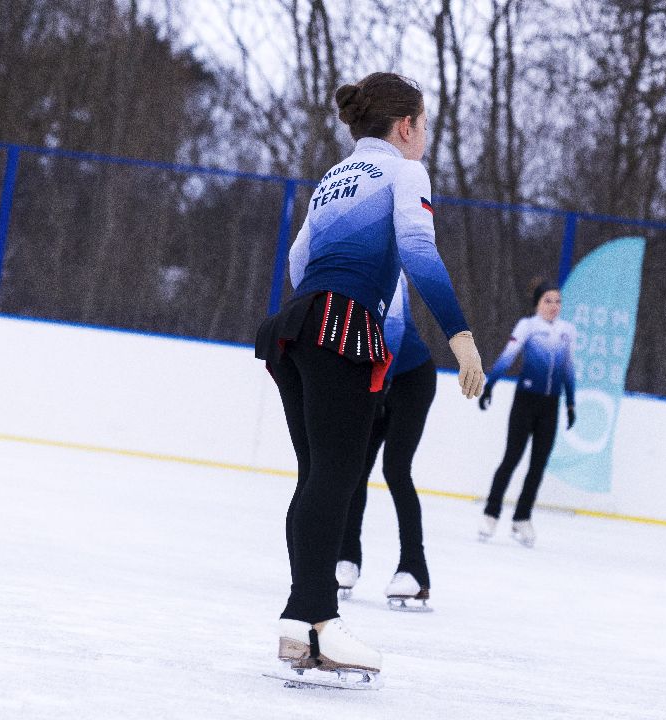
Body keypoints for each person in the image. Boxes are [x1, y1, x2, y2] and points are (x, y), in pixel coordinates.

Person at [254, 72, 484, 688]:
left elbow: (300, 260)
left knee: (317, 477)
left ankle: (302, 623)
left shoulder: (332, 178)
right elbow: (419, 251)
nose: (426, 137)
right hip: (341, 328)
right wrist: (460, 338)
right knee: (336, 474)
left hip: (295, 326)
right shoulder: (405, 173)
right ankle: (314, 618)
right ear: (404, 126)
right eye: (425, 124)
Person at [336, 273, 437, 611]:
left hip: (410, 379)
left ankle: (414, 569)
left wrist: (380, 385)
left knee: (395, 469)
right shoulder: (343, 266)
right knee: (355, 467)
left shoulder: (390, 271)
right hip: (375, 378)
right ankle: (347, 557)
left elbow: (392, 333)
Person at [477, 279, 577, 548]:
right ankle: (491, 513)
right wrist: (490, 387)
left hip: (550, 406)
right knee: (511, 458)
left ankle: (522, 517)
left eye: (558, 301)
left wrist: (570, 403)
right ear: (537, 304)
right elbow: (507, 357)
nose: (554, 306)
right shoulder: (528, 327)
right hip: (525, 402)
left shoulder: (568, 331)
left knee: (538, 465)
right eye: (548, 301)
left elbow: (568, 368)